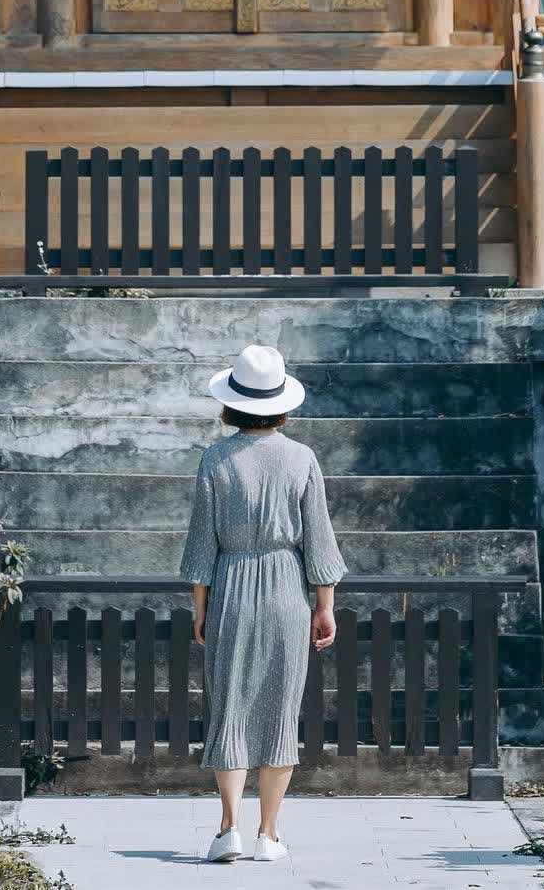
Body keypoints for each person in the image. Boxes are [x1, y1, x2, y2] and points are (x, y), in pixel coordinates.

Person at [179, 343, 347, 865]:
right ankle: (268, 834)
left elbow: (201, 544)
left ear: (231, 402)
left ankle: (227, 828)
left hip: (230, 582)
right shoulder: (302, 458)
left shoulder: (214, 458)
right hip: (285, 589)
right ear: (282, 404)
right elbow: (319, 541)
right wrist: (325, 605)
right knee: (278, 710)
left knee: (227, 707)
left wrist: (200, 606)